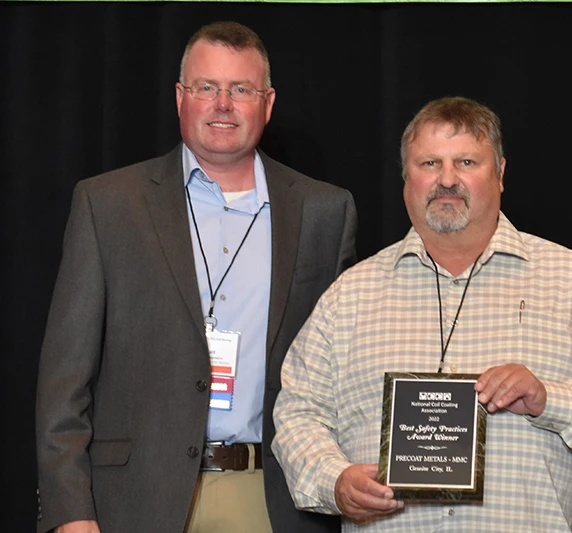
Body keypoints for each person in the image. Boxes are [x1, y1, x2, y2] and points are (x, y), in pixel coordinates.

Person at [271, 96, 572, 532]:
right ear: (406, 178)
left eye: (467, 162)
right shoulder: (351, 296)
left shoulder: (571, 281)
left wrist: (548, 399)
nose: (447, 179)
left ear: (500, 173)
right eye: (429, 163)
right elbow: (299, 411)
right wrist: (334, 481)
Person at [35, 21, 356, 533]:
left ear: (268, 103)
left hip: (274, 500)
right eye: (207, 87)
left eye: (241, 90)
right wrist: (70, 512)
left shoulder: (325, 212)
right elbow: (63, 381)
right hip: (133, 502)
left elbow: (342, 373)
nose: (223, 104)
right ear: (181, 97)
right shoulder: (107, 204)